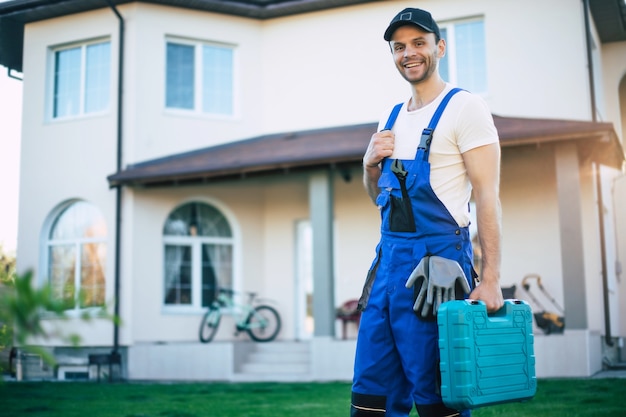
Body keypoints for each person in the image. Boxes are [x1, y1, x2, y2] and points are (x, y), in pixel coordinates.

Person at [351, 7, 504, 417]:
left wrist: (490, 279)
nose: (408, 53)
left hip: (436, 271)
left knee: (437, 394)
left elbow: (488, 196)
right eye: (398, 47)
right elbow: (381, 200)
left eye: (418, 43)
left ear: (440, 46)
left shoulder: (465, 107)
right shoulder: (391, 115)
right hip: (387, 269)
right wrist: (369, 164)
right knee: (372, 397)